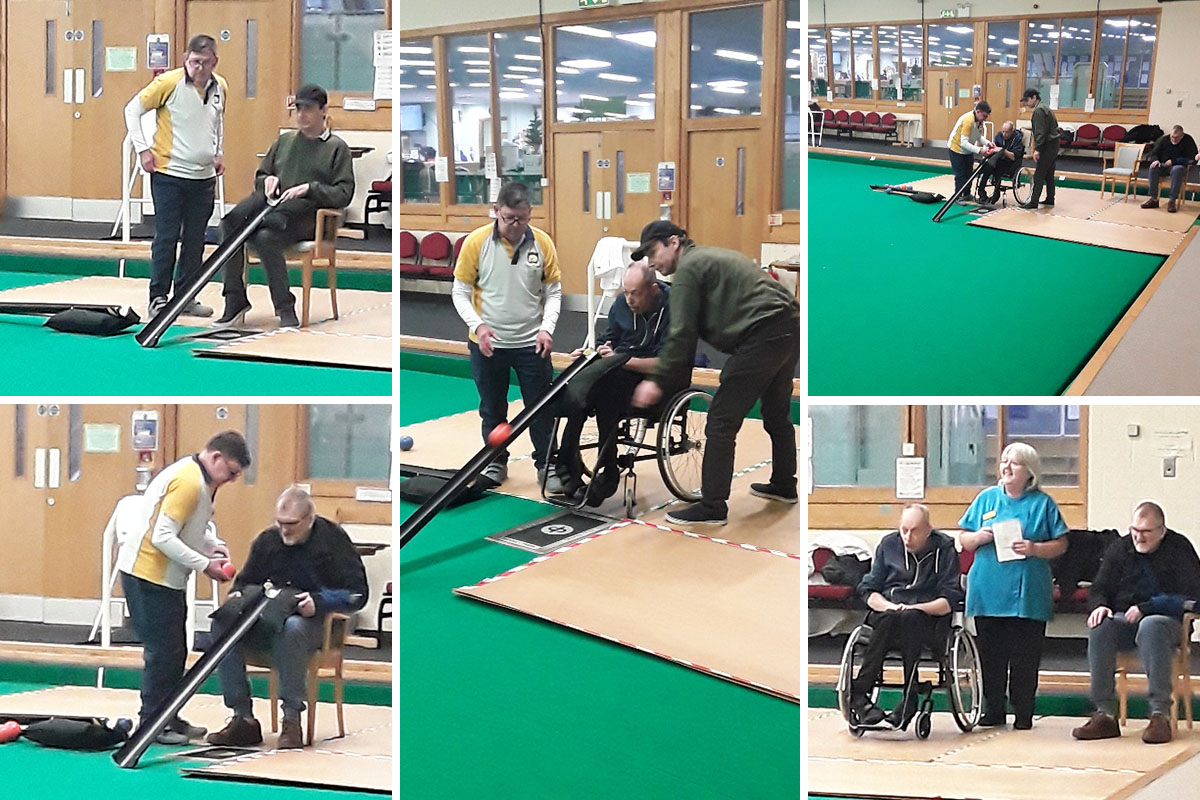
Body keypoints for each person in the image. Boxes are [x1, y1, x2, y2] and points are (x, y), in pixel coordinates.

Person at [630, 221, 800, 526]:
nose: (651, 262)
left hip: (761, 335)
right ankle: (785, 485)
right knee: (777, 413)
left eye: (654, 252)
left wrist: (657, 381)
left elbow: (682, 334)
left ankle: (712, 507)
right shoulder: (707, 257)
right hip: (789, 326)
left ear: (674, 242)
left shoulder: (688, 271)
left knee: (721, 419)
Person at [207, 487, 368, 749]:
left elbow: (358, 593)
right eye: (280, 524)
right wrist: (238, 598)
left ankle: (291, 720)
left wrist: (319, 601)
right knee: (222, 623)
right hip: (269, 614)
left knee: (292, 627)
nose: (285, 531)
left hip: (316, 622)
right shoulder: (267, 541)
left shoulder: (333, 540)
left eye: (291, 525)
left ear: (309, 519)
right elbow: (244, 582)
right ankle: (242, 718)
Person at [115, 430, 250, 744]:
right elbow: (162, 536)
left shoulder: (198, 479)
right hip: (148, 576)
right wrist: (206, 565)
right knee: (162, 653)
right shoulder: (189, 481)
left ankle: (169, 715)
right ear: (215, 457)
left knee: (176, 652)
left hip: (166, 579)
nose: (230, 480)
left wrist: (211, 544)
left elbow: (186, 527)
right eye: (230, 472)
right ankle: (152, 723)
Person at [451, 181, 563, 491]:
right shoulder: (476, 243)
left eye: (522, 219)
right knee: (492, 408)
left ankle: (547, 465)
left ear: (530, 214)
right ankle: (495, 461)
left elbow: (553, 291)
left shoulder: (543, 243)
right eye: (509, 218)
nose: (515, 226)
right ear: (497, 212)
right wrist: (479, 326)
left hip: (531, 345)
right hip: (488, 346)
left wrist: (547, 329)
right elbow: (459, 292)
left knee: (541, 408)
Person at [214, 84, 355, 328]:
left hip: (308, 216)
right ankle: (234, 299)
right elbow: (262, 175)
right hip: (275, 209)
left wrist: (310, 188)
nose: (301, 115)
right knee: (231, 225)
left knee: (265, 233)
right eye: (298, 109)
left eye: (308, 109)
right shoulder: (284, 141)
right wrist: (266, 180)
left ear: (323, 110)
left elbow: (344, 194)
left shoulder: (336, 148)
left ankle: (284, 307)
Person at [959, 442, 1068, 730]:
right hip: (988, 589)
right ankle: (993, 709)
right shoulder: (986, 499)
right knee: (990, 655)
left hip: (1027, 591)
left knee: (1024, 656)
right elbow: (963, 539)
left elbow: (1061, 544)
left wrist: (1034, 548)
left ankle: (1023, 712)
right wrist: (979, 537)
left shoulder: (1043, 504)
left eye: (1014, 463)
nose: (1006, 467)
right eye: (1004, 461)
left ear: (1029, 471)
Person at [1071, 501, 1200, 745]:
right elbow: (1099, 587)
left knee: (1151, 625)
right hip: (1124, 621)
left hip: (1166, 624)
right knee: (1101, 627)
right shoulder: (1120, 548)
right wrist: (1100, 606)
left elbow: (1193, 597)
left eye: (1146, 532)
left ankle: (1159, 715)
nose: (1138, 537)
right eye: (1135, 531)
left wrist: (1147, 608)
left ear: (1161, 531)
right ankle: (1104, 714)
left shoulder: (1179, 549)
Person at [124, 35, 227, 319]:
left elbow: (218, 122)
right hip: (169, 174)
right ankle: (158, 297)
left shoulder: (221, 87)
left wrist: (218, 153)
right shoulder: (167, 84)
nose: (199, 68)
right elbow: (132, 110)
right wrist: (143, 150)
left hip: (203, 178)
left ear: (215, 62)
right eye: (194, 62)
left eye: (205, 63)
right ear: (185, 59)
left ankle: (186, 297)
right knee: (167, 237)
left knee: (195, 240)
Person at [555, 263, 670, 505]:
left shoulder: (674, 309)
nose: (629, 299)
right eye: (626, 292)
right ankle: (567, 464)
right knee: (581, 386)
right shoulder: (621, 304)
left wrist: (624, 360)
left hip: (652, 378)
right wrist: (597, 351)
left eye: (635, 293)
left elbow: (667, 362)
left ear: (653, 289)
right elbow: (609, 338)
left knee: (605, 391)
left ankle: (607, 471)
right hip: (618, 368)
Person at [847, 504, 964, 728]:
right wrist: (889, 606)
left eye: (915, 530)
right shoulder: (888, 545)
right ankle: (860, 694)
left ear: (929, 529)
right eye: (904, 530)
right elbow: (868, 589)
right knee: (892, 618)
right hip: (890, 614)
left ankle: (910, 695)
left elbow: (949, 600)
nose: (908, 537)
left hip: (928, 618)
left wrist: (917, 608)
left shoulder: (944, 548)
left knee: (910, 619)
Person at [1140, 125, 1198, 213]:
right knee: (1153, 167)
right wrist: (1155, 160)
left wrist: (1174, 161)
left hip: (1178, 166)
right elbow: (1153, 153)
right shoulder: (1164, 139)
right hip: (1163, 165)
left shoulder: (1188, 140)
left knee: (1177, 170)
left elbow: (1193, 160)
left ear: (1182, 136)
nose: (1174, 139)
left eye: (1176, 138)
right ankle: (1153, 199)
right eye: (1172, 137)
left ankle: (1172, 201)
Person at [1019, 88, 1060, 209]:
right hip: (1053, 143)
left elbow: (1041, 132)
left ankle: (1033, 201)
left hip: (1048, 145)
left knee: (1039, 174)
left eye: (1027, 100)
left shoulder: (1038, 111)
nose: (1026, 103)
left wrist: (1037, 149)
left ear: (1034, 98)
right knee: (1049, 174)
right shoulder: (1044, 107)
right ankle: (1050, 199)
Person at [947, 100, 995, 200]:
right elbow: (963, 143)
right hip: (957, 149)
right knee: (960, 175)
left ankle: (967, 194)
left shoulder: (979, 121)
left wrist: (988, 143)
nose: (985, 119)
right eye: (984, 116)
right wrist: (979, 150)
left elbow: (978, 136)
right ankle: (958, 197)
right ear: (978, 112)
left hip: (967, 151)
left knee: (969, 173)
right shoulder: (968, 120)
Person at [976, 121, 1025, 204]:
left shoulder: (1017, 138)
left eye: (1007, 132)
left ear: (1012, 131)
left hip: (1010, 163)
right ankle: (981, 192)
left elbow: (1014, 157)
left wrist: (1003, 151)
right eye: (1003, 131)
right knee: (988, 167)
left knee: (996, 167)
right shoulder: (999, 135)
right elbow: (995, 148)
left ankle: (996, 193)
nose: (1004, 134)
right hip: (997, 160)